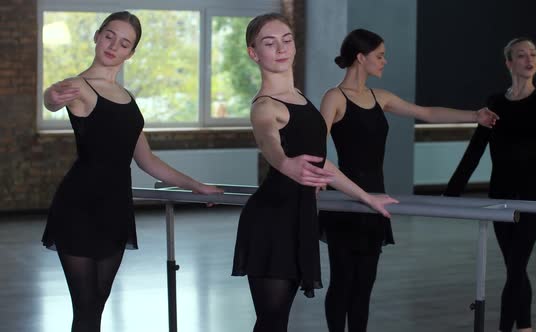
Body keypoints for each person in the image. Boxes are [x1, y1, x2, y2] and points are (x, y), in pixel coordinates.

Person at [41, 11, 222, 332]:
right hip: (78, 208)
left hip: (115, 209)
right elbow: (53, 98)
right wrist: (50, 97)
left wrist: (196, 185)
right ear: (97, 36)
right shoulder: (79, 87)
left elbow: (147, 160)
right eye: (109, 35)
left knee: (97, 302)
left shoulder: (127, 98)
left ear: (131, 53)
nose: (114, 46)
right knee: (84, 308)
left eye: (124, 43)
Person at [318, 28, 499, 332]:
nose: (384, 61)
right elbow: (316, 149)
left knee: (364, 286)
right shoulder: (334, 98)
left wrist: (474, 115)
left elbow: (427, 113)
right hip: (346, 200)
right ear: (361, 58)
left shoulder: (380, 97)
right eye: (380, 56)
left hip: (377, 200)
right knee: (342, 282)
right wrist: (323, 181)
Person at [230, 14, 398, 332]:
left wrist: (366, 197)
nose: (280, 48)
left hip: (300, 218)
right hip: (271, 221)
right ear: (254, 53)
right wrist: (283, 162)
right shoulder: (265, 105)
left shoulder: (301, 100)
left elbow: (321, 162)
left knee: (279, 319)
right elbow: (268, 141)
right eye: (269, 42)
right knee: (272, 320)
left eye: (286, 39)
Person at [444, 37, 536, 332]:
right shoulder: (495, 104)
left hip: (534, 194)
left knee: (516, 267)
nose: (530, 59)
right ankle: (525, 328)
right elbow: (475, 150)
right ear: (509, 63)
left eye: (533, 54)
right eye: (521, 55)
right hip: (501, 195)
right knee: (515, 268)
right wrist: (450, 195)